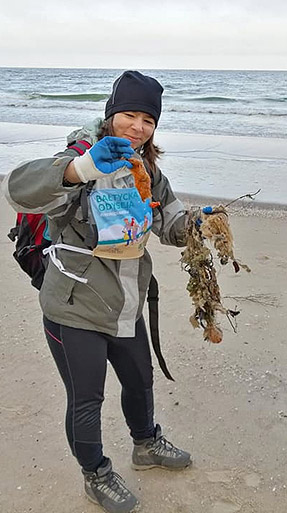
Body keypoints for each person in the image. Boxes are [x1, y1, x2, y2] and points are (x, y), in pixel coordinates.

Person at [3, 70, 192, 513]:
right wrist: (82, 168)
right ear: (110, 115)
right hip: (75, 306)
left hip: (127, 302)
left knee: (140, 381)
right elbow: (19, 190)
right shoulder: (81, 159)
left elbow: (169, 222)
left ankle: (145, 445)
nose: (138, 127)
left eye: (148, 120)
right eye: (129, 114)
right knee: (87, 398)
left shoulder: (147, 169)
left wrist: (198, 227)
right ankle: (96, 473)